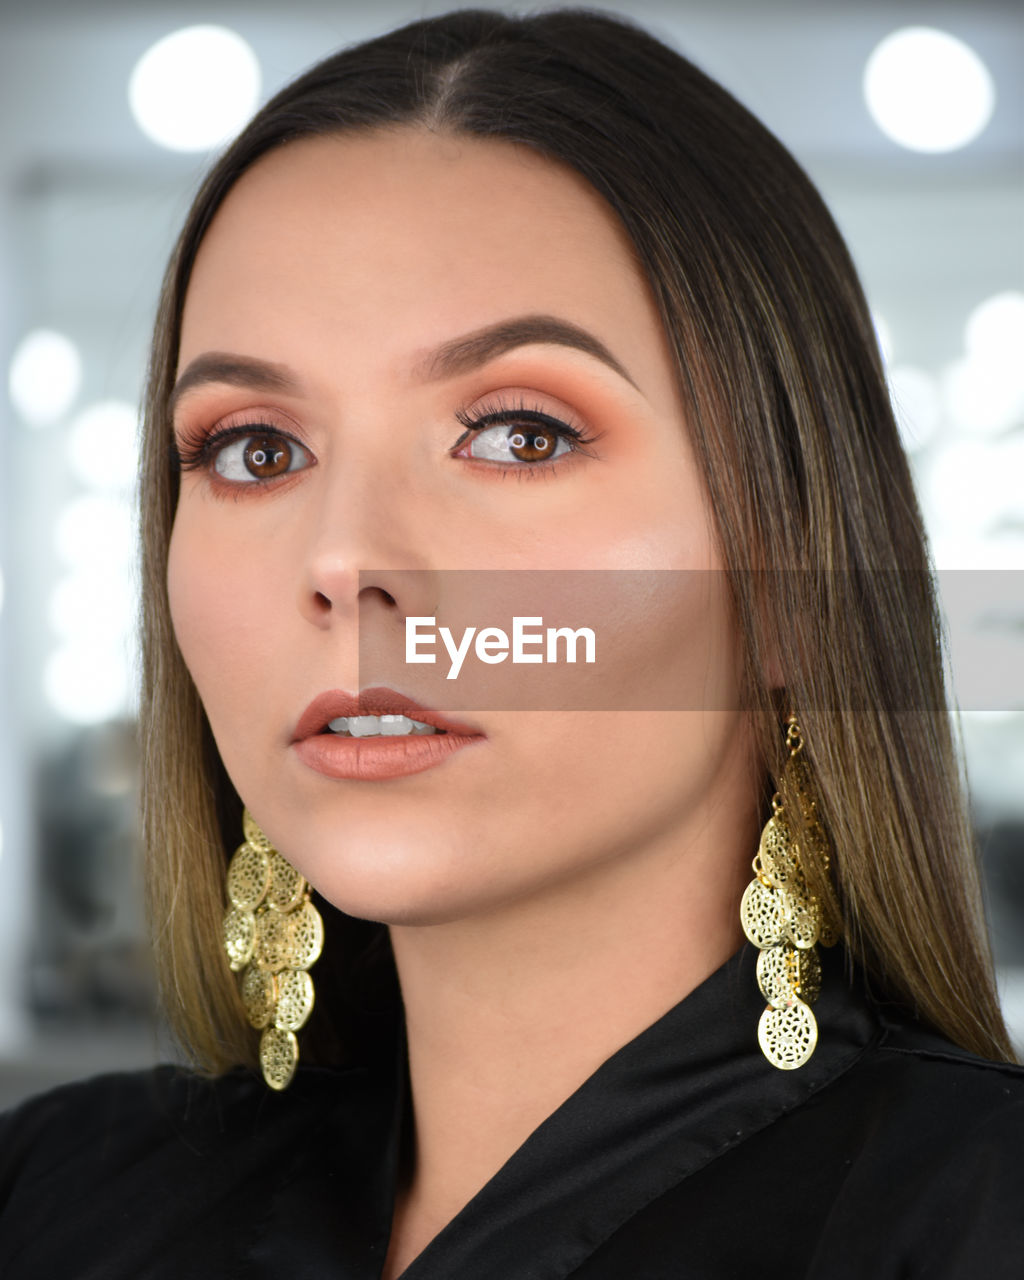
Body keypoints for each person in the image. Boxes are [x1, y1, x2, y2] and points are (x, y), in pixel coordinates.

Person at [1, 8, 1022, 1278]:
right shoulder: (54, 1198)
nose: (345, 560)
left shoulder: (975, 1219)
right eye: (255, 450)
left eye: (519, 433)